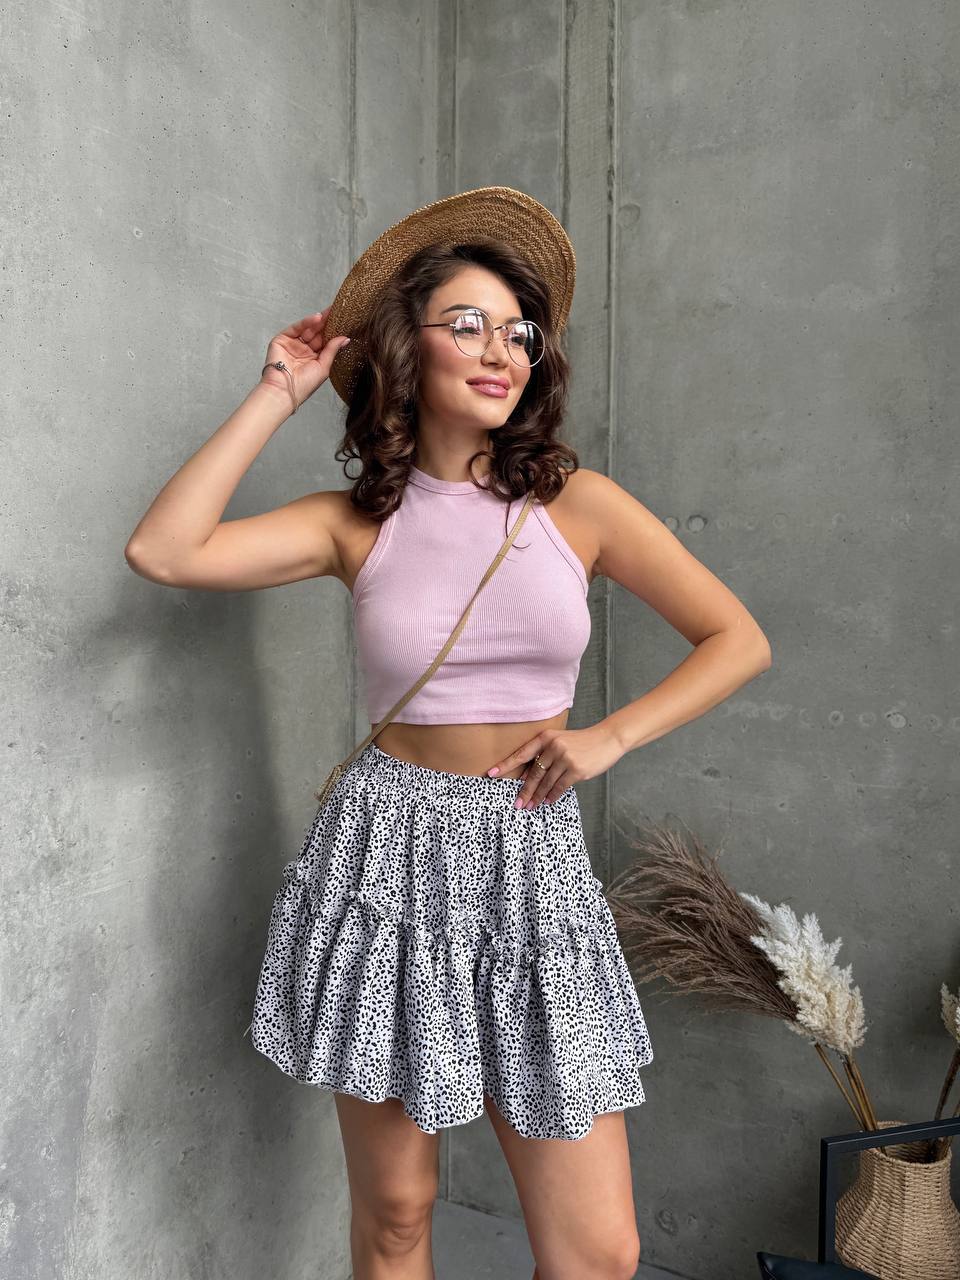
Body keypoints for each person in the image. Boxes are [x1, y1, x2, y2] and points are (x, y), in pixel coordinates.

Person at [124, 187, 771, 1280]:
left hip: (529, 852)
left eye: (518, 332)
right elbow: (165, 549)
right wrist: (278, 391)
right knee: (396, 1214)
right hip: (385, 853)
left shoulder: (578, 504)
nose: (500, 350)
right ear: (402, 346)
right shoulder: (353, 523)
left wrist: (608, 738)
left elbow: (736, 637)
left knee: (600, 1251)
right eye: (466, 324)